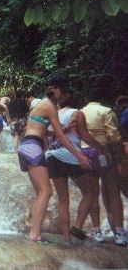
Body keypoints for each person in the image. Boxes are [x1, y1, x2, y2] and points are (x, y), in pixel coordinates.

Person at [17, 75, 91, 244]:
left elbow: (44, 130)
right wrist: (79, 156)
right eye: (63, 93)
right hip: (34, 147)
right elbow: (58, 136)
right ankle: (35, 234)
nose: (64, 96)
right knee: (46, 192)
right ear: (55, 90)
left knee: (40, 193)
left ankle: (34, 233)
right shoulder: (50, 106)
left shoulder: (42, 104)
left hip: (26, 146)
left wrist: (64, 129)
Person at [45, 92, 104, 243]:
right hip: (71, 155)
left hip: (52, 156)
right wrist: (102, 148)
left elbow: (48, 135)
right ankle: (77, 227)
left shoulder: (53, 113)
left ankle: (67, 239)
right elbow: (84, 135)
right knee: (92, 191)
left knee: (63, 199)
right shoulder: (77, 114)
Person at [82, 95, 126, 245]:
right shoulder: (106, 111)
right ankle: (119, 232)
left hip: (85, 152)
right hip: (103, 151)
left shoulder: (80, 111)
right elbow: (113, 137)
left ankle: (96, 231)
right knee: (113, 191)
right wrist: (121, 158)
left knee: (92, 192)